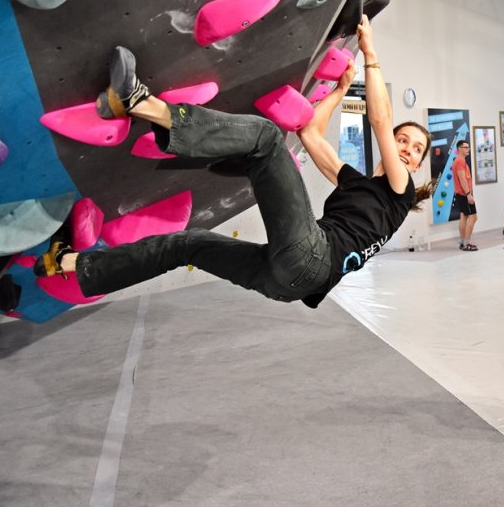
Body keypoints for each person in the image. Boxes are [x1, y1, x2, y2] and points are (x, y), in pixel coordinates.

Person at [34, 16, 435, 307]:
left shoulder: (399, 193)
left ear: (415, 167)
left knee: (265, 138)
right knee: (186, 244)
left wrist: (371, 55)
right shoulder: (360, 185)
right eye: (404, 140)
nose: (406, 148)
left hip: (312, 258)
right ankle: (68, 263)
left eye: (415, 149)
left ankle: (141, 104)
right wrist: (339, 88)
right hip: (287, 283)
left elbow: (380, 121)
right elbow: (310, 133)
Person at [451, 139, 478, 251]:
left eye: (468, 147)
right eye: (465, 147)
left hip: (461, 193)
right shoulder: (460, 161)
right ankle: (466, 244)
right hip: (464, 193)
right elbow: (462, 178)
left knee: (464, 216)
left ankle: (463, 242)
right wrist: (468, 194)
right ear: (459, 149)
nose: (468, 149)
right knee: (473, 217)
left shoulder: (458, 161)